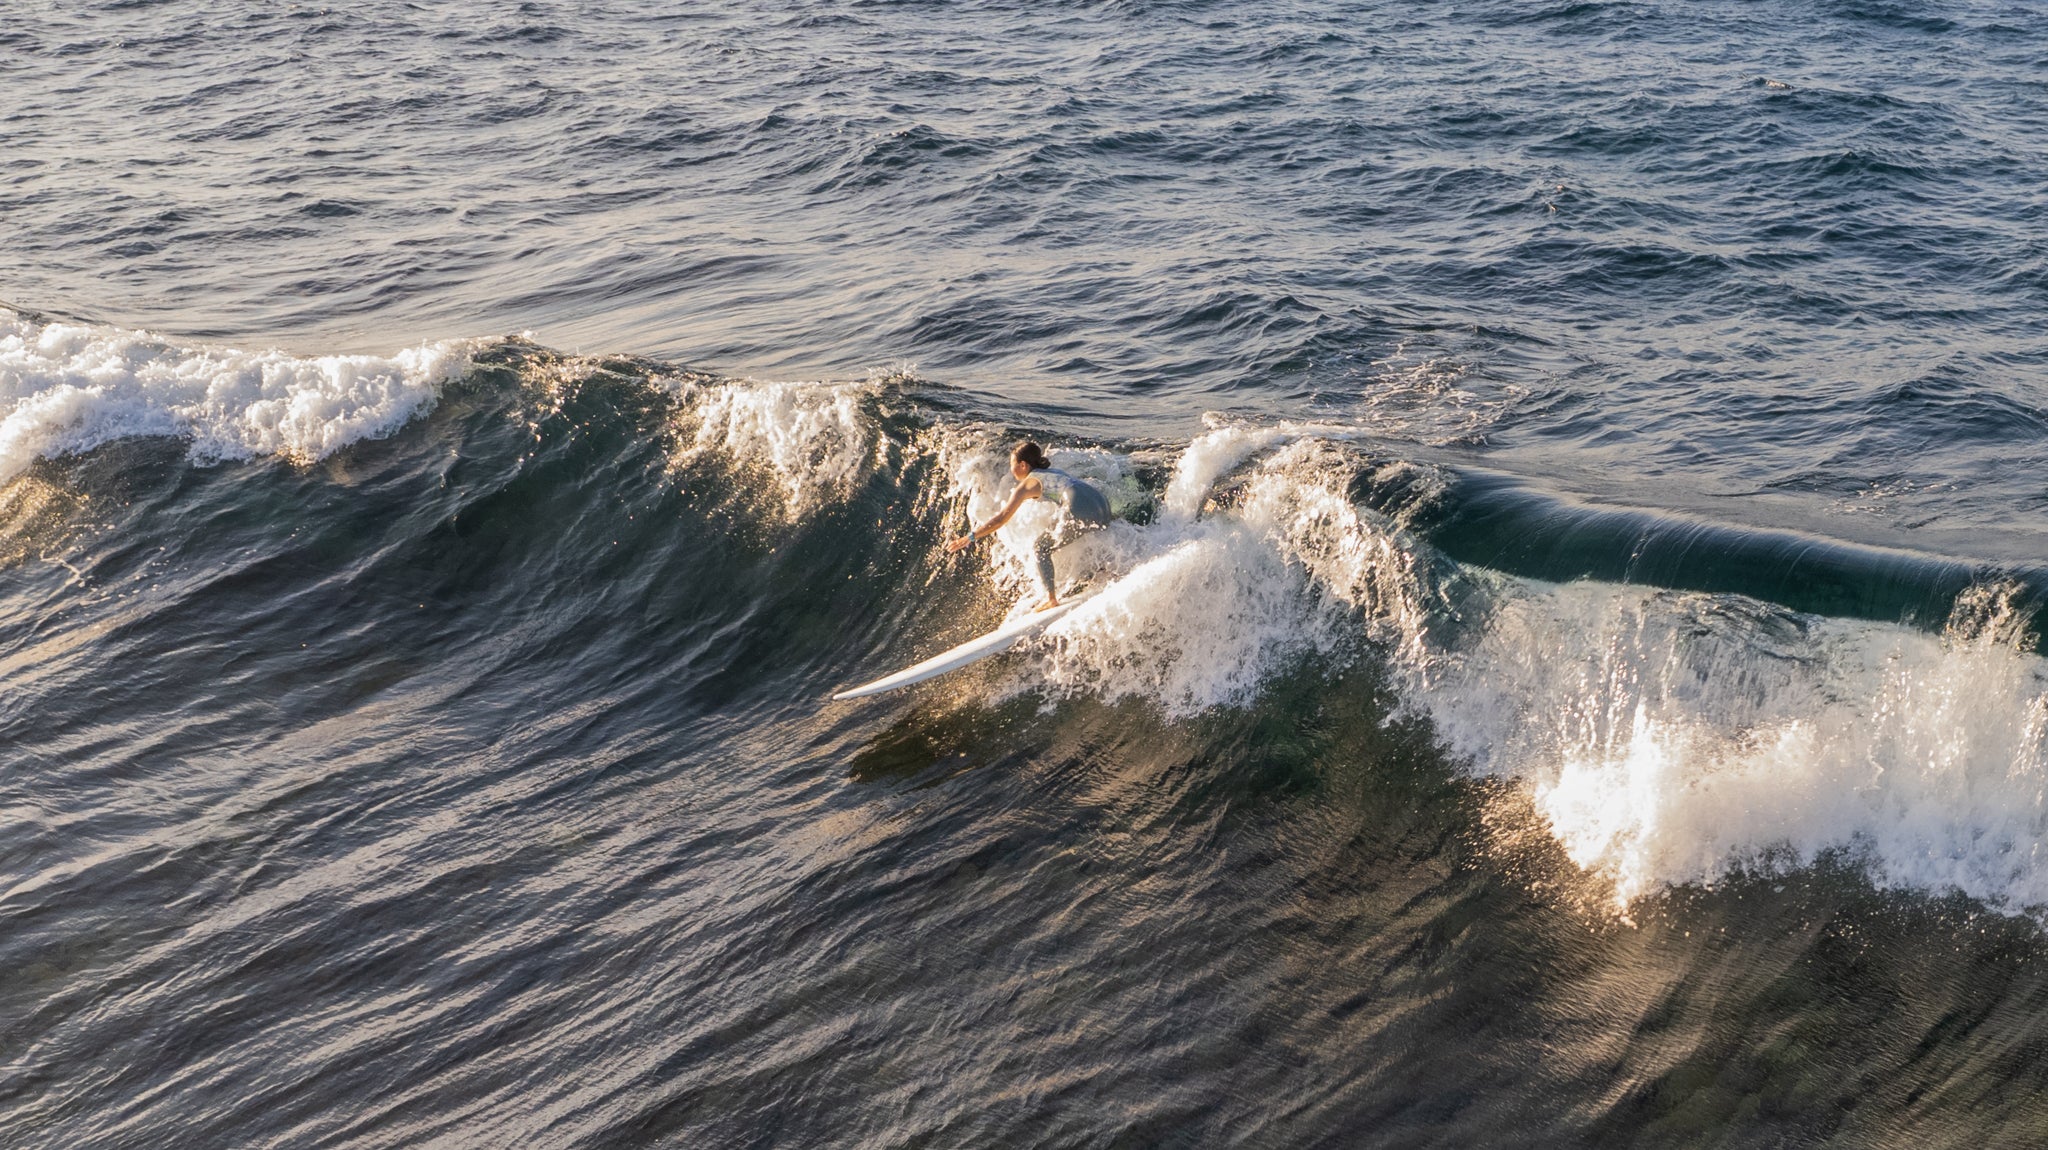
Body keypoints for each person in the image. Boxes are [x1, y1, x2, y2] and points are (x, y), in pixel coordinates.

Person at [946, 441, 1113, 610]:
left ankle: (1051, 598)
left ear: (1023, 465)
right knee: (1089, 533)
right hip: (1101, 502)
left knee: (1040, 548)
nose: (1011, 470)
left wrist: (971, 536)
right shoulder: (1053, 472)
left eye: (1012, 464)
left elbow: (1001, 518)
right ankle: (1105, 570)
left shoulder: (1027, 484)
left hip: (1078, 504)